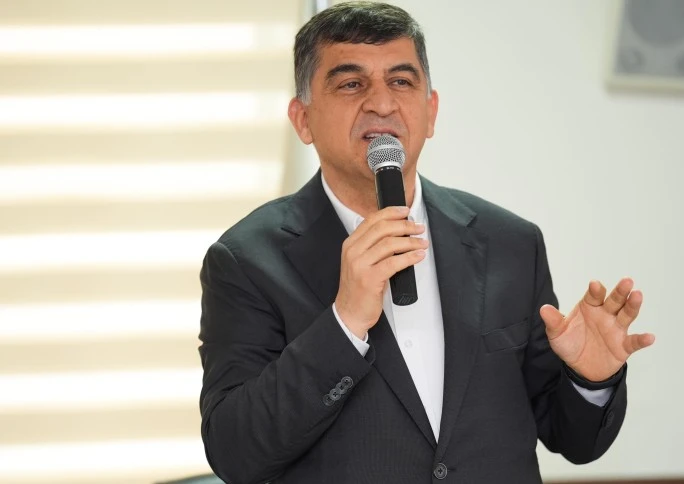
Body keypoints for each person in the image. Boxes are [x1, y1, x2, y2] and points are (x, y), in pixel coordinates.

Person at [198, 2, 655, 483]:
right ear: (303, 119)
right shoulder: (247, 261)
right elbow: (235, 453)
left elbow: (573, 440)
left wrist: (590, 379)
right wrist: (344, 323)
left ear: (431, 111)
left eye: (401, 81)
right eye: (351, 84)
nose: (381, 103)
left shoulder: (510, 244)